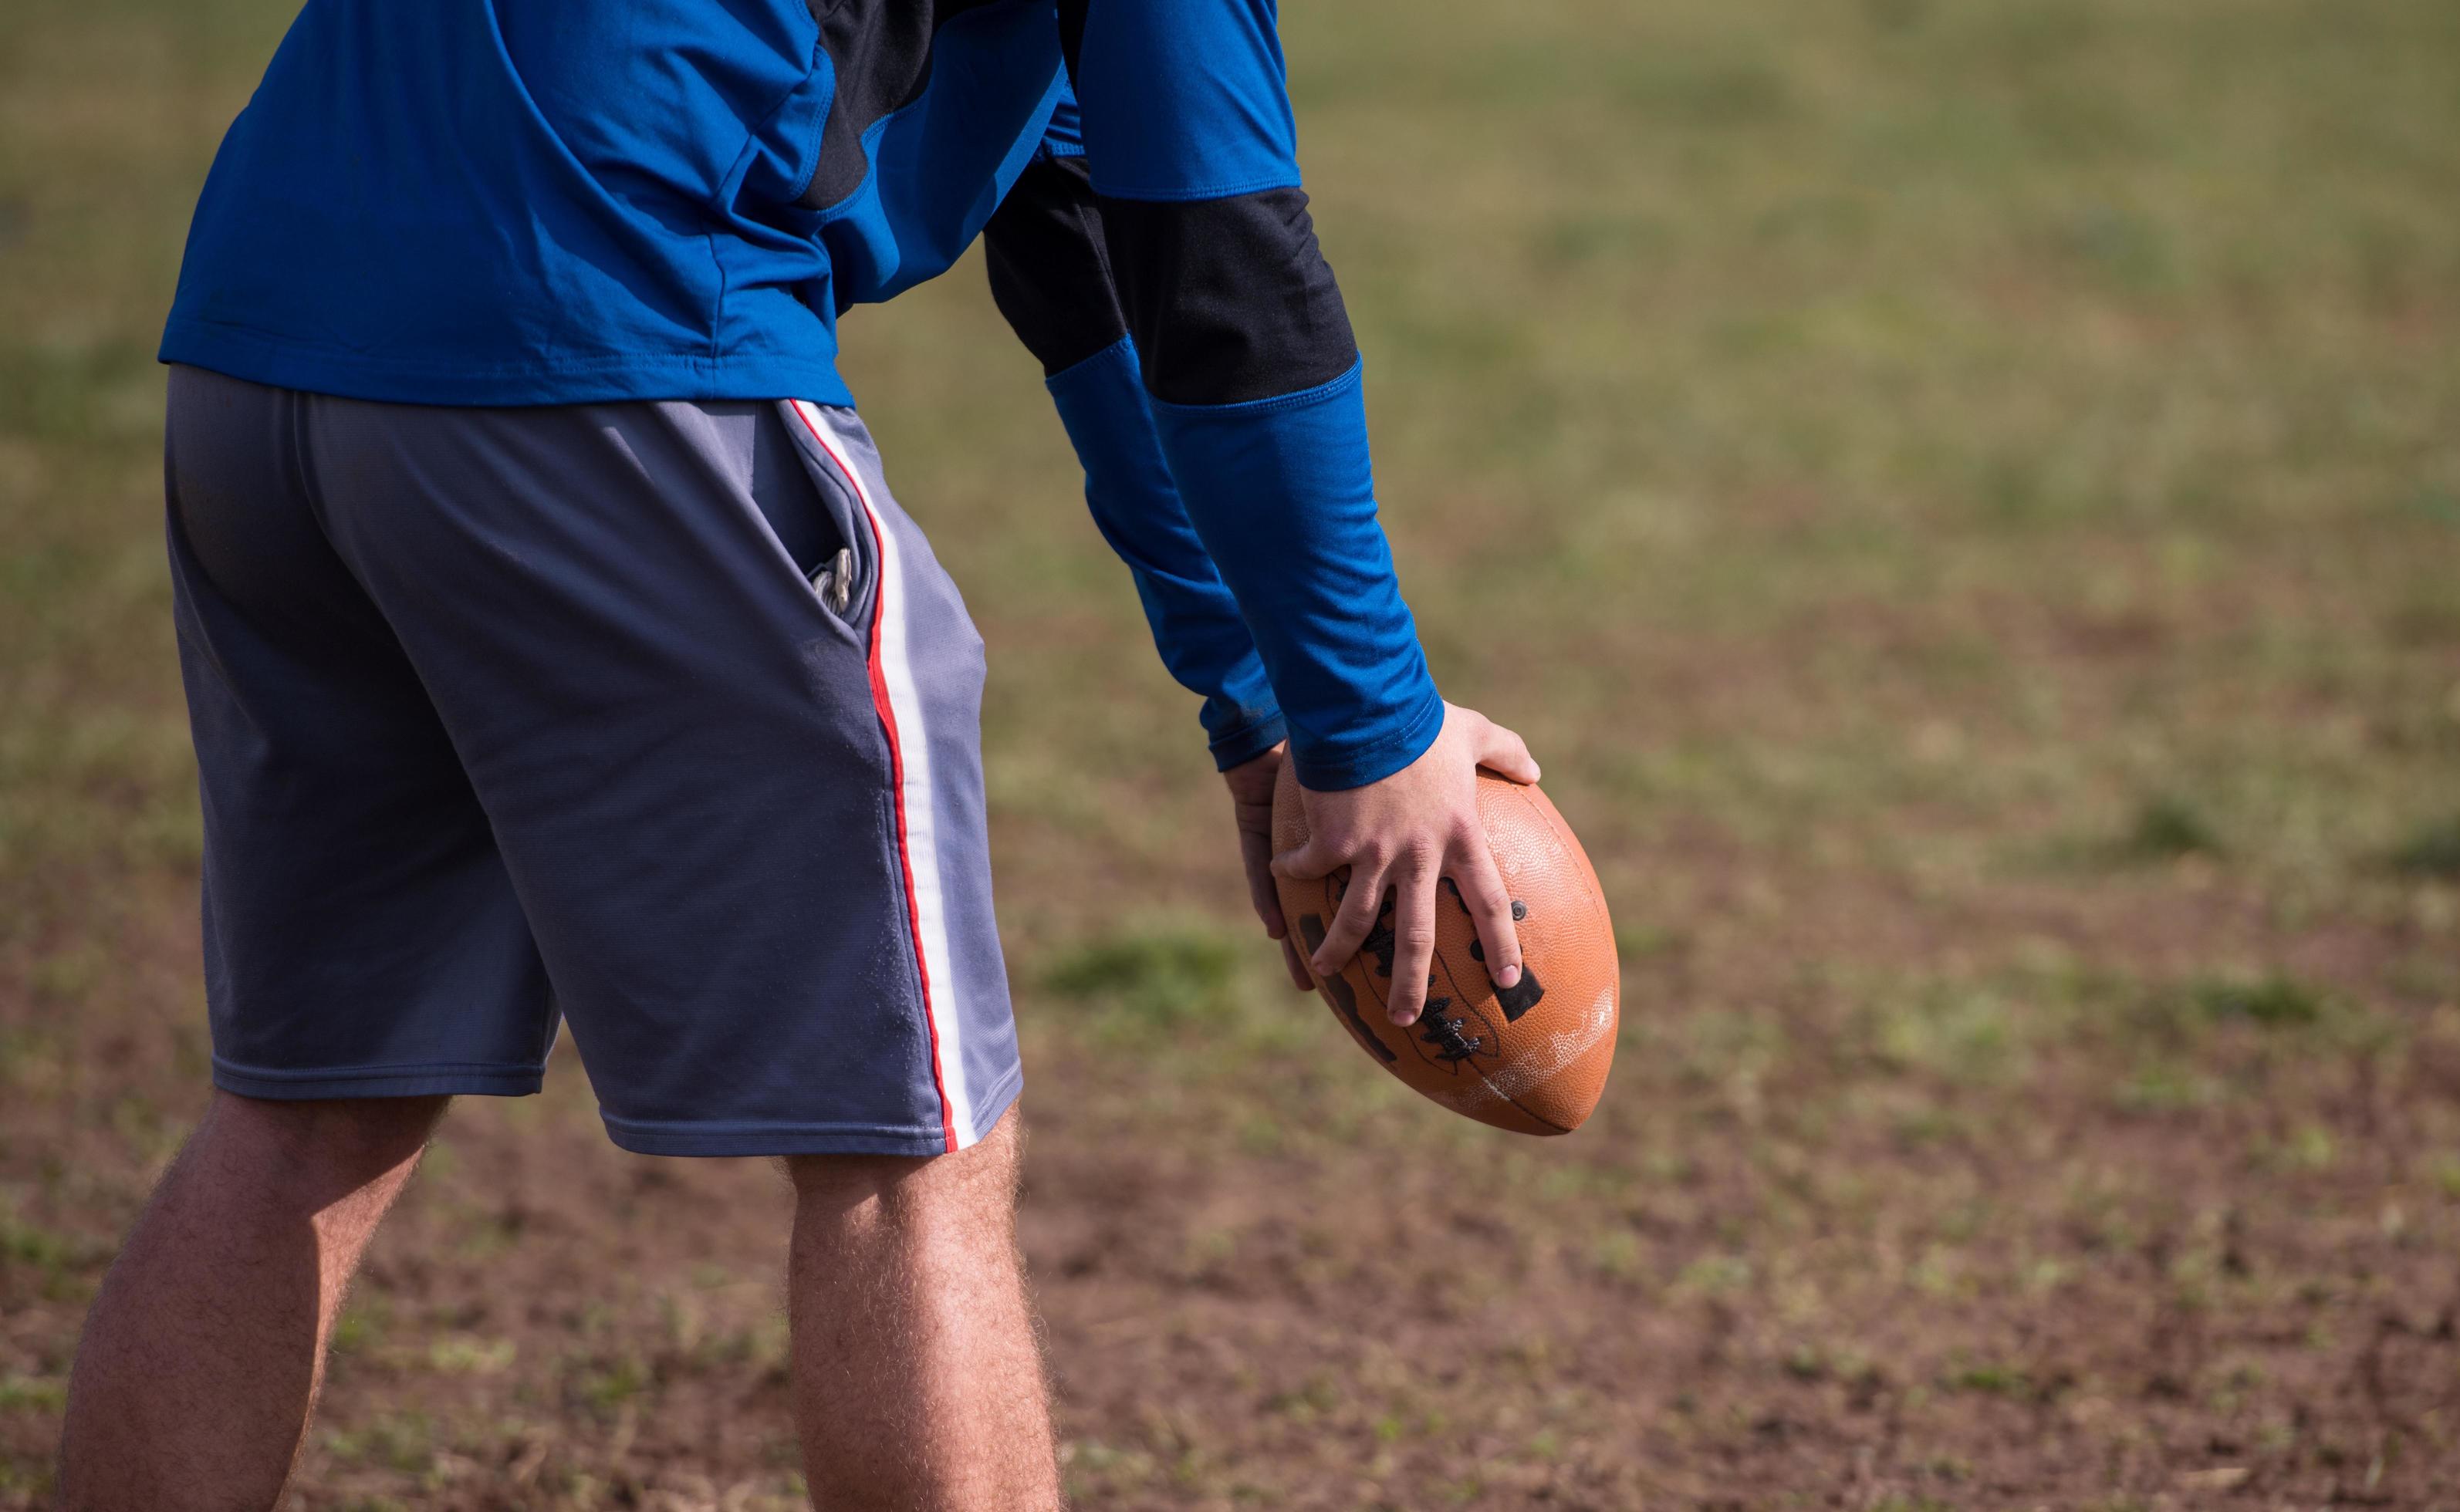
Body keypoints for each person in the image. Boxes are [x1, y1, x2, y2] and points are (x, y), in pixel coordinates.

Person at [57, 1, 1540, 1506]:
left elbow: (1083, 229)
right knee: (910, 1164)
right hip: (622, 339)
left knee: (309, 1102)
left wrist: (1262, 702)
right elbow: (1223, 269)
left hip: (265, 348)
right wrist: (1367, 721)